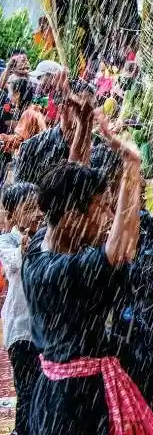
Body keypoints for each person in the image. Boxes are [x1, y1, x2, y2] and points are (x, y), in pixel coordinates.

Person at [23, 118, 153, 434]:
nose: (107, 217)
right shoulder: (64, 270)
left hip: (52, 395)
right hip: (79, 403)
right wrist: (132, 166)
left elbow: (69, 184)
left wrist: (84, 128)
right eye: (101, 208)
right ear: (73, 217)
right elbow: (123, 247)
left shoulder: (40, 246)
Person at [0, 182, 42, 435]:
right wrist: (25, 247)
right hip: (21, 332)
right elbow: (13, 264)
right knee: (27, 393)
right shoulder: (7, 240)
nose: (36, 213)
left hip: (43, 330)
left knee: (41, 392)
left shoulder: (46, 236)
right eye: (28, 208)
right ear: (12, 214)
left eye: (38, 207)